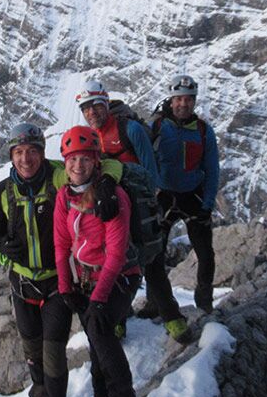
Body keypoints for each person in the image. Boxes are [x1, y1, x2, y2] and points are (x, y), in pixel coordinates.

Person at [0, 123, 123, 397]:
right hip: (22, 283)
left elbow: (107, 164)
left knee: (52, 355)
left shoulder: (58, 177)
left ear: (42, 152)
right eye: (19, 152)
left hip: (56, 283)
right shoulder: (3, 192)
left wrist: (107, 183)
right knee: (32, 354)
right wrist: (3, 248)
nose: (26, 159)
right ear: (11, 156)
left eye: (32, 151)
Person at [77, 80, 193, 343]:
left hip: (141, 207)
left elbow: (150, 173)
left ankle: (172, 317)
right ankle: (119, 319)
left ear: (106, 104)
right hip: (111, 209)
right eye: (86, 108)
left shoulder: (130, 130)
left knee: (152, 261)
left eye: (96, 105)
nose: (91, 112)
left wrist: (147, 202)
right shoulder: (90, 137)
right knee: (114, 264)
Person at [54, 126, 142, 397]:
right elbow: (61, 243)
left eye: (85, 159)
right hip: (86, 278)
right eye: (72, 159)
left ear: (96, 161)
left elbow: (116, 253)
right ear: (65, 163)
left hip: (120, 276)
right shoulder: (65, 196)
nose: (78, 166)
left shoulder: (112, 197)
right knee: (94, 336)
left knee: (101, 331)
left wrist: (100, 298)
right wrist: (66, 286)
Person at [149, 74, 220, 318]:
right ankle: (155, 303)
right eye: (179, 99)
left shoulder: (203, 131)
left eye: (188, 99)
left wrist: (207, 204)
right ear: (171, 100)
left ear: (194, 101)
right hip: (164, 194)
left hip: (193, 196)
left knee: (205, 254)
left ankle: (204, 303)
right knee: (154, 254)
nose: (183, 104)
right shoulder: (157, 127)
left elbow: (212, 169)